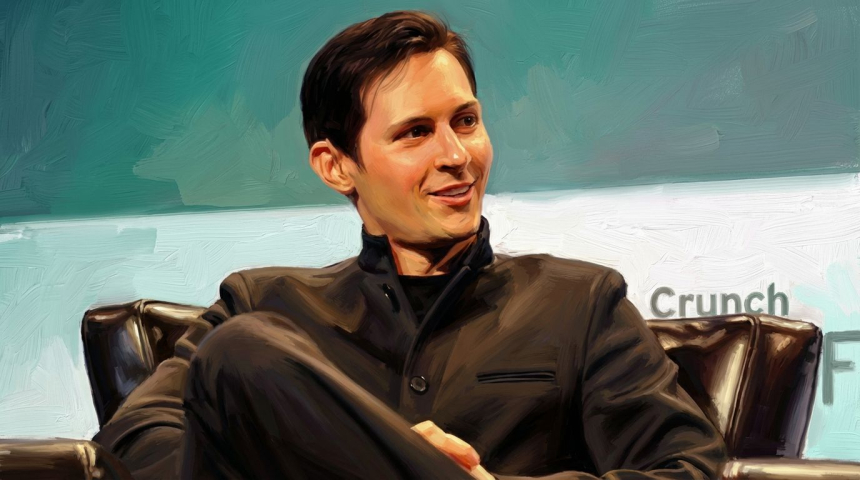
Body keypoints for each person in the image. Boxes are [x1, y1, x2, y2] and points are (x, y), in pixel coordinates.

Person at [93, 10, 728, 480]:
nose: (456, 156)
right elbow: (136, 441)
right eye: (415, 133)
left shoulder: (580, 301)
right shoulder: (263, 303)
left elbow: (688, 469)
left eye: (466, 121)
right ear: (336, 166)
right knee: (242, 350)